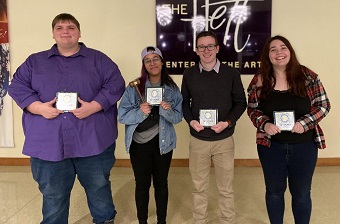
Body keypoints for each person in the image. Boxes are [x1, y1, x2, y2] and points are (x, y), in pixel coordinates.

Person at [8, 13, 125, 224]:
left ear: (79, 33)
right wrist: (38, 108)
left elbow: (115, 84)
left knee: (99, 189)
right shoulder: (35, 61)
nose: (65, 31)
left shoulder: (99, 59)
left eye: (71, 27)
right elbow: (17, 86)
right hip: (48, 143)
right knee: (53, 196)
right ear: (53, 34)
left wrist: (94, 106)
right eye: (60, 27)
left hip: (92, 141)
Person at [247, 35, 331, 224]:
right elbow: (252, 109)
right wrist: (264, 124)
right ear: (267, 55)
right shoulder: (260, 79)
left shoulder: (307, 76)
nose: (279, 53)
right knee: (274, 192)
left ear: (290, 52)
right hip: (270, 147)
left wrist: (305, 123)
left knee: (301, 193)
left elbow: (323, 105)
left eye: (283, 48)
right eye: (273, 49)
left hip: (304, 147)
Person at [181, 31, 247, 224]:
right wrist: (191, 120)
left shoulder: (231, 74)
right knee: (198, 186)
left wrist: (227, 122)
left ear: (217, 48)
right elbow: (184, 101)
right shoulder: (189, 74)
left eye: (210, 46)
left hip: (224, 140)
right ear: (196, 50)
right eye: (202, 46)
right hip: (198, 139)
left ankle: (227, 220)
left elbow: (240, 103)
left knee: (225, 187)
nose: (206, 50)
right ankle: (199, 220)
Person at [118, 46, 182, 224]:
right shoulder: (134, 87)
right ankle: (142, 221)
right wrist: (140, 111)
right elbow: (122, 115)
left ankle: (162, 220)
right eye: (148, 60)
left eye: (156, 59)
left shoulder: (172, 88)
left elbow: (178, 118)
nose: (152, 63)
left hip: (163, 144)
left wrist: (167, 111)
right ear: (143, 64)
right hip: (139, 145)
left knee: (161, 184)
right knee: (142, 184)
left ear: (162, 62)